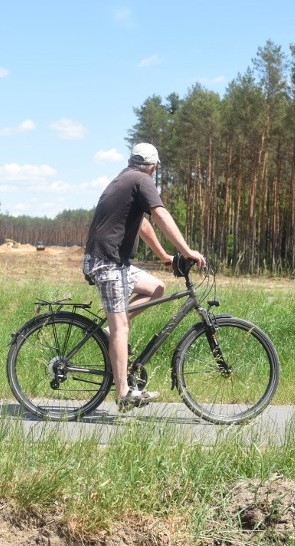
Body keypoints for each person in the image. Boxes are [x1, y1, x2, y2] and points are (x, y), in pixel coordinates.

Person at [82, 142, 206, 412]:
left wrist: (165, 256)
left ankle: (111, 331)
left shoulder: (126, 178)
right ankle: (124, 392)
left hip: (116, 261)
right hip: (107, 262)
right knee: (121, 329)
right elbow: (160, 214)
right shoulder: (141, 179)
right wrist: (186, 251)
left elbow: (144, 224)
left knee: (156, 288)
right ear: (154, 166)